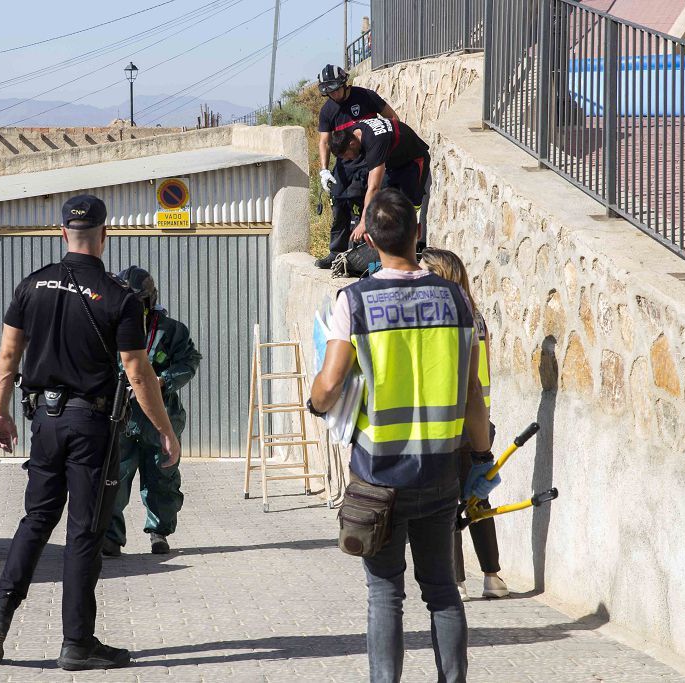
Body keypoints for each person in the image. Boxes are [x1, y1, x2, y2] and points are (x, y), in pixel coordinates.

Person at [0, 194, 181, 671]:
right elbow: (137, 371)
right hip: (91, 424)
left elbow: (8, 357)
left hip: (43, 421)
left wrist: (0, 413)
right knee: (85, 531)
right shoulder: (119, 296)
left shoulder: (31, 285)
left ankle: (0, 617)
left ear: (61, 231)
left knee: (35, 521)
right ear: (105, 235)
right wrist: (165, 431)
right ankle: (76, 643)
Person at [308, 188, 497, 683]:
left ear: (368, 239)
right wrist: (482, 456)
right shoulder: (458, 300)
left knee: (385, 593)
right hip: (440, 472)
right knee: (441, 591)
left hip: (378, 476)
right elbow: (473, 394)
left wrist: (316, 402)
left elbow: (329, 385)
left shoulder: (354, 302)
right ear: (418, 233)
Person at [420, 247, 510, 602]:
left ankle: (456, 579)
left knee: (447, 502)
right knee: (476, 499)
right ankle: (492, 575)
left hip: (451, 421)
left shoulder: (444, 315)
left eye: (426, 270)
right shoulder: (477, 314)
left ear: (440, 274)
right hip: (479, 421)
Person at [101, 265, 201, 557]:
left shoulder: (171, 331)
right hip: (120, 417)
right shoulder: (107, 329)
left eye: (137, 301)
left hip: (161, 417)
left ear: (149, 299)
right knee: (113, 479)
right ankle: (111, 537)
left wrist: (163, 381)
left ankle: (159, 532)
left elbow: (189, 361)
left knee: (162, 479)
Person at [315, 64, 400, 269]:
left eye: (336, 88)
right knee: (339, 203)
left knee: (369, 201)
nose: (334, 94)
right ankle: (336, 252)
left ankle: (366, 254)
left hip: (370, 158)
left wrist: (388, 147)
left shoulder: (366, 97)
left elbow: (392, 118)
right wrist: (324, 170)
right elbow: (324, 141)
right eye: (329, 91)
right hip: (345, 162)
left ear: (345, 83)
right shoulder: (328, 110)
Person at [328, 116, 431, 250]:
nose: (347, 159)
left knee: (410, 204)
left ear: (352, 144)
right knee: (386, 203)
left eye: (345, 155)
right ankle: (391, 245)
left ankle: (411, 247)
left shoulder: (375, 142)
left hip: (413, 161)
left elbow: (373, 187)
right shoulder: (353, 132)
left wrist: (364, 222)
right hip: (393, 163)